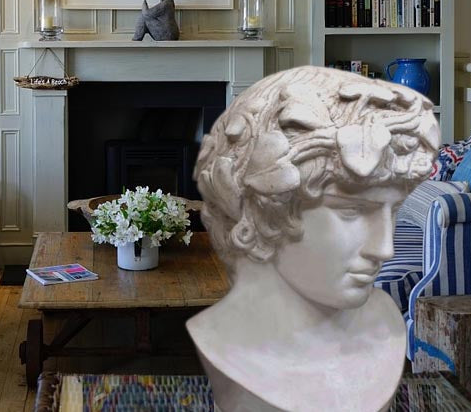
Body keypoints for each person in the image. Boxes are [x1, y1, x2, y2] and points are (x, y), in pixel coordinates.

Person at [187, 66, 439, 412]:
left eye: (393, 210)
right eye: (351, 211)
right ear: (267, 210)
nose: (385, 249)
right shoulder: (225, 342)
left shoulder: (386, 322)